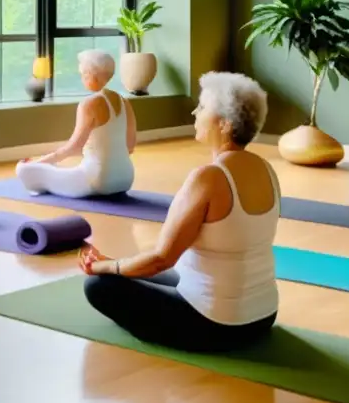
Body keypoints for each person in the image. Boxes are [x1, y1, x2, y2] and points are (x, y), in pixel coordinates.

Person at [80, 71, 278, 353]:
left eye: (203, 107)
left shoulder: (208, 178)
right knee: (136, 271)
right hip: (263, 316)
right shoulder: (267, 170)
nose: (196, 111)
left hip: (217, 325)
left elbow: (162, 259)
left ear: (224, 124)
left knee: (98, 286)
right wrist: (119, 263)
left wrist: (104, 267)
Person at [15, 49, 136, 198]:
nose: (82, 78)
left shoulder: (89, 104)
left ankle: (32, 167)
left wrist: (40, 161)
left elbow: (73, 148)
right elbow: (130, 146)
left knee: (22, 169)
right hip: (126, 178)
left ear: (90, 74)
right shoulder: (125, 102)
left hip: (98, 180)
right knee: (55, 167)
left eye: (83, 74)